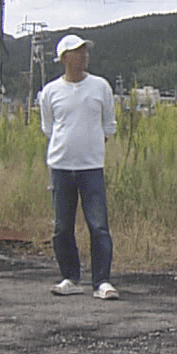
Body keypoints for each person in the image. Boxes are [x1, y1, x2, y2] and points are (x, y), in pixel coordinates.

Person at [38, 34, 119, 299]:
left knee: (99, 225)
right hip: (61, 166)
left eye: (85, 51)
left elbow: (108, 125)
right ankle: (70, 277)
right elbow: (48, 128)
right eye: (77, 52)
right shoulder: (50, 91)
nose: (84, 56)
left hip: (91, 167)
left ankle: (102, 281)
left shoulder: (100, 86)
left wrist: (92, 147)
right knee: (62, 226)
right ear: (64, 58)